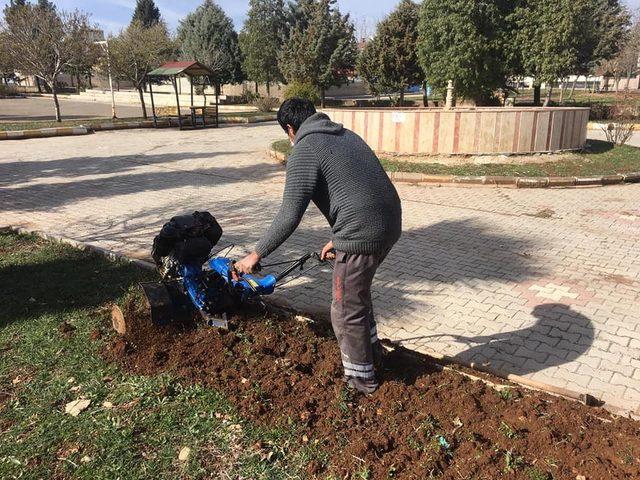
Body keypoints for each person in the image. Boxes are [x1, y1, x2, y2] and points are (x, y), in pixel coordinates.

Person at [235, 98, 402, 393]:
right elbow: (358, 188)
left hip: (362, 231)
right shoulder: (344, 135)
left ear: (290, 129)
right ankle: (375, 357)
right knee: (356, 296)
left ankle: (362, 382)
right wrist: (338, 239)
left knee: (344, 310)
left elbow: (289, 215)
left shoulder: (305, 147)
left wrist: (255, 255)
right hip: (389, 223)